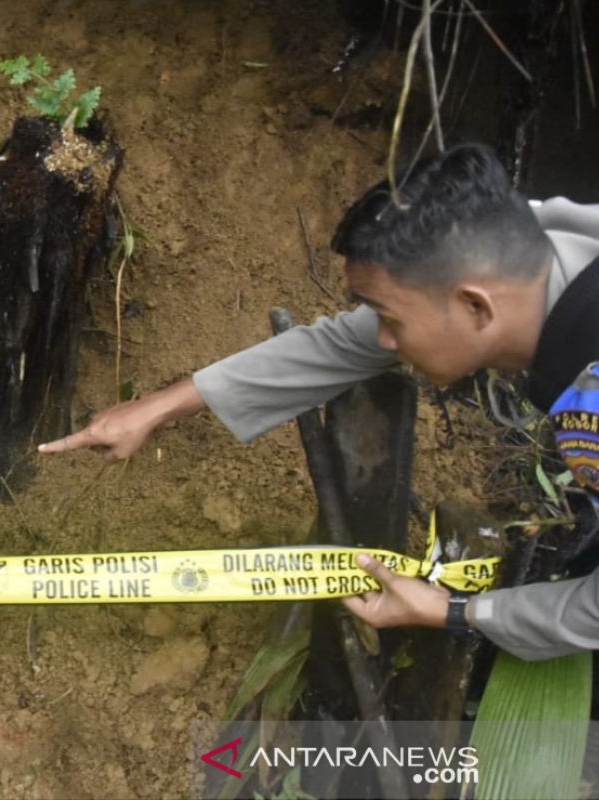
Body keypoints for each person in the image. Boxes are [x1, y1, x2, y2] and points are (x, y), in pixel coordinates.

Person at [38, 144, 599, 661]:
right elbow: (346, 343)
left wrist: (455, 611)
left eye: (391, 319)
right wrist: (157, 407)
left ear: (477, 307)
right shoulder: (541, 240)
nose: (383, 340)